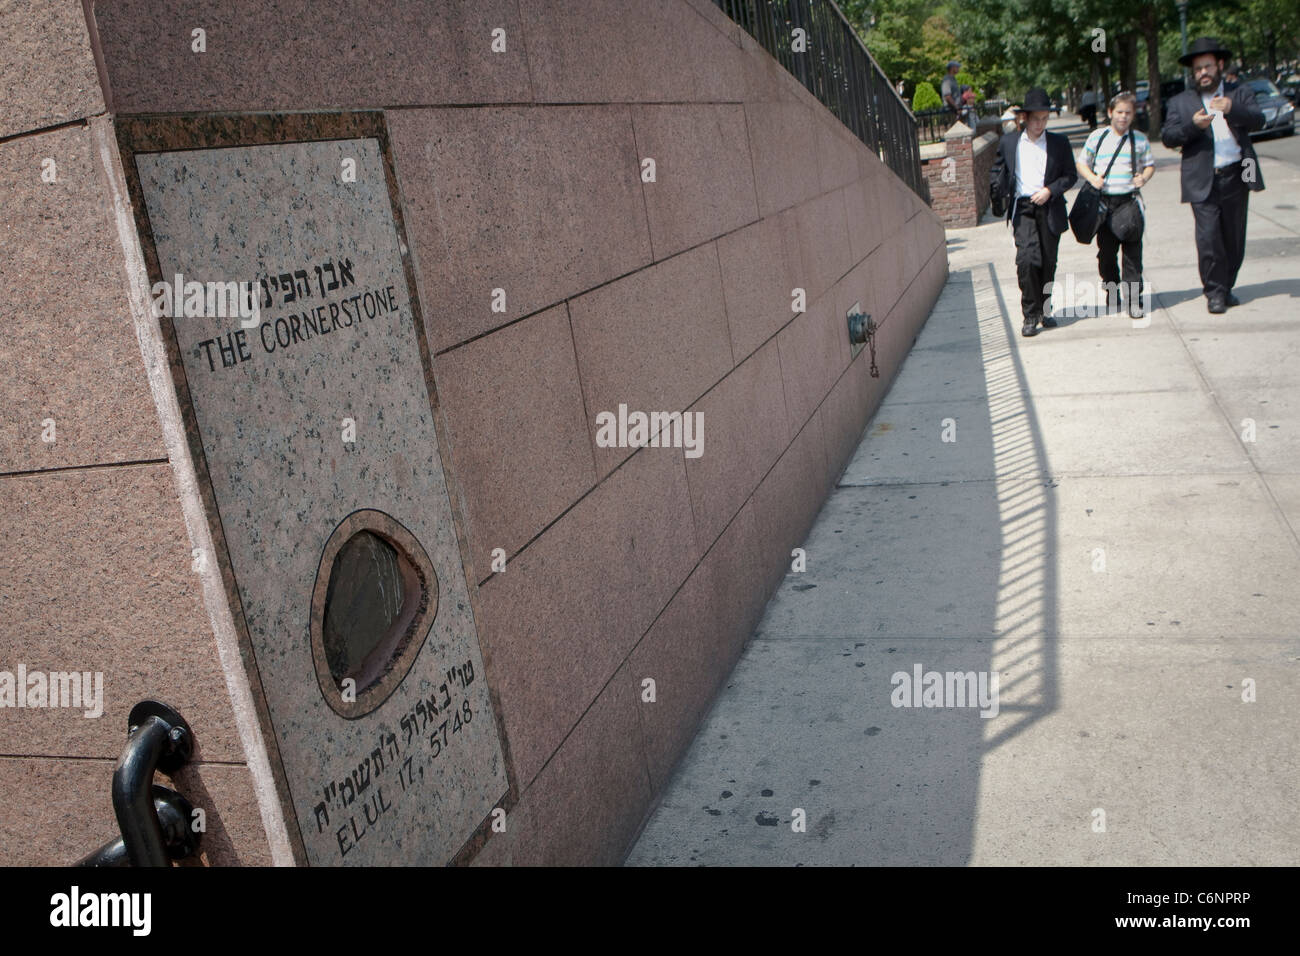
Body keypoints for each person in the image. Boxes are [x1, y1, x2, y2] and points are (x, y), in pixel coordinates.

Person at [1161, 37, 1265, 313]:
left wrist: (1233, 109)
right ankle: (1215, 293)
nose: (1203, 73)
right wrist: (1192, 126)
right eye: (1198, 69)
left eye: (1207, 67)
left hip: (1237, 174)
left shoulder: (1239, 93)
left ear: (1219, 65)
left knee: (1233, 237)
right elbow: (1168, 137)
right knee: (1208, 238)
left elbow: (1259, 119)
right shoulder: (1181, 102)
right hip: (1201, 178)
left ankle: (1226, 285)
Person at [989, 88, 1079, 337]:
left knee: (1048, 262)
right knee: (1027, 261)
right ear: (1025, 118)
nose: (1040, 124)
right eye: (1036, 118)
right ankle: (1030, 314)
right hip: (1023, 208)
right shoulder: (1009, 142)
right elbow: (997, 170)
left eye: (1044, 118)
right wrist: (997, 192)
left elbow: (1070, 176)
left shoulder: (1059, 144)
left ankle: (1045, 309)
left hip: (1049, 207)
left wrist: (1050, 190)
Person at [1076, 91, 1156, 317]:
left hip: (1128, 202)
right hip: (1104, 204)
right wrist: (1092, 178)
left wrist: (1144, 177)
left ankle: (1133, 299)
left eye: (1128, 113)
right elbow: (1081, 164)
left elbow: (1150, 165)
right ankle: (1111, 286)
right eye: (1119, 112)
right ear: (1110, 112)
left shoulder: (1139, 140)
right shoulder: (1097, 137)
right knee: (1106, 253)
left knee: (1132, 253)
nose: (1123, 117)